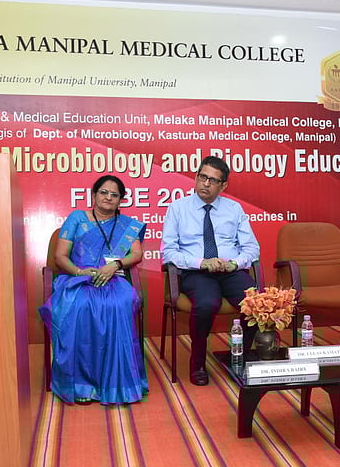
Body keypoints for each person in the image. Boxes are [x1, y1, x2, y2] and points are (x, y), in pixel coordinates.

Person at [38, 175, 148, 404]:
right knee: (80, 306)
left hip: (114, 278)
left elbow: (136, 254)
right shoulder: (77, 218)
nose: (108, 197)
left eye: (114, 195)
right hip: (78, 278)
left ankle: (116, 382)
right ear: (94, 195)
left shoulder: (127, 225)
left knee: (119, 304)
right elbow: (60, 256)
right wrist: (80, 272)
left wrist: (115, 265)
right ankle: (82, 384)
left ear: (120, 200)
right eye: (104, 192)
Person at [161, 156, 260, 386]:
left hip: (229, 270)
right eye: (202, 177)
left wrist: (234, 263)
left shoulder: (233, 209)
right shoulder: (178, 208)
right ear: (196, 177)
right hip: (196, 271)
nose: (206, 183)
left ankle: (240, 356)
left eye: (213, 180)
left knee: (256, 303)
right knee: (207, 303)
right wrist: (201, 262)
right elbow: (169, 253)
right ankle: (197, 362)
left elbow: (252, 248)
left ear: (223, 186)